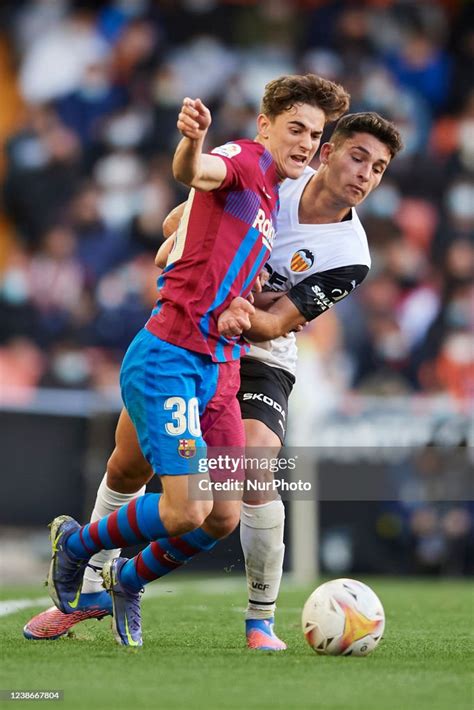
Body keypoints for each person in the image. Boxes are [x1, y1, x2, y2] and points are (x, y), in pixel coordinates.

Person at [36, 75, 350, 647]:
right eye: (295, 128)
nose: (305, 142)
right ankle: (77, 544)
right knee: (182, 508)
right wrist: (194, 142)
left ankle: (124, 580)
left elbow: (188, 241)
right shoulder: (245, 160)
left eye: (315, 133)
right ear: (265, 125)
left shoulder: (282, 207)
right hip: (174, 356)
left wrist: (239, 300)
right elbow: (195, 173)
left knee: (223, 515)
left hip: (223, 373)